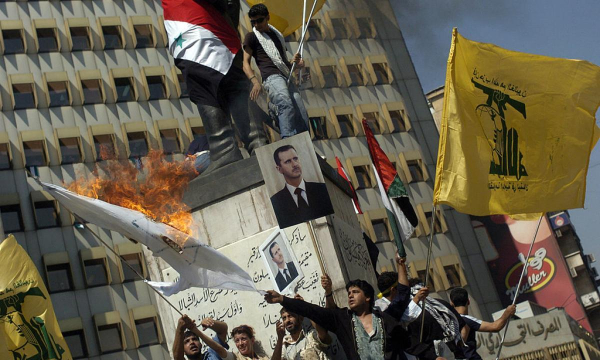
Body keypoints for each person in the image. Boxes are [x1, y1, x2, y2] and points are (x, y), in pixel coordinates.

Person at [163, 0, 267, 175]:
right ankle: (256, 144)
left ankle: (224, 150)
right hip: (216, 34)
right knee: (235, 88)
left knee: (207, 88)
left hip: (198, 34)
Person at [265, 255, 413, 360]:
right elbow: (311, 310)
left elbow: (402, 296)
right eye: (349, 293)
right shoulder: (343, 319)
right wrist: (282, 299)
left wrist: (400, 266)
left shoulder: (384, 318)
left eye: (355, 292)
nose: (350, 296)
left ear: (368, 297)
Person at [242, 3, 309, 138]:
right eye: (253, 22)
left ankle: (304, 142)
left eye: (259, 20)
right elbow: (245, 63)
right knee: (285, 103)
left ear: (268, 18)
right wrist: (255, 82)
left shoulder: (277, 36)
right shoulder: (252, 37)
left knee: (301, 112)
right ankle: (288, 140)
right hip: (272, 77)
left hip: (286, 77)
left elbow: (283, 62)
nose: (256, 25)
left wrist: (296, 64)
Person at [270, 145, 334, 228]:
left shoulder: (321, 189)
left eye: (295, 159)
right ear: (279, 169)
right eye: (288, 161)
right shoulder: (276, 201)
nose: (295, 164)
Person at [403, 279, 466, 360]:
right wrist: (458, 344)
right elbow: (463, 327)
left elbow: (411, 343)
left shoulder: (410, 315)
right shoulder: (442, 303)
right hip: (457, 354)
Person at [450, 287, 516, 360]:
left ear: (451, 303)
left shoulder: (449, 322)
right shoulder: (466, 320)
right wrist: (507, 313)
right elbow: (495, 327)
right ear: (468, 301)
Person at [272, 295, 332, 360]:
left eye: (291, 316)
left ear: (300, 318)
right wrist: (280, 339)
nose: (287, 320)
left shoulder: (311, 336)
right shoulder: (285, 346)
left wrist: (305, 308)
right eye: (284, 318)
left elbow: (324, 337)